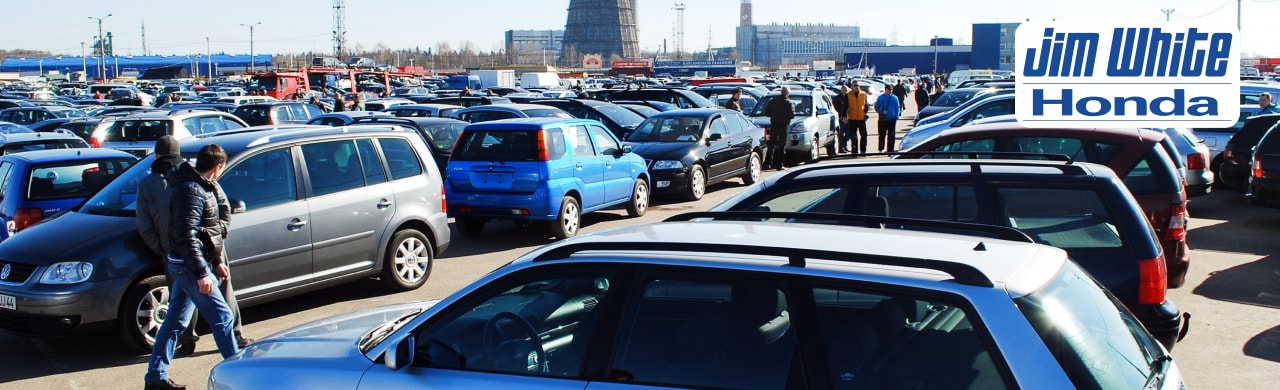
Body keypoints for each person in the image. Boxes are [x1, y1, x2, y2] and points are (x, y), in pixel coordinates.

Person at [144, 144, 238, 390]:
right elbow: (187, 235)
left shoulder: (198, 186)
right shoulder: (192, 190)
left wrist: (216, 261)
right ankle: (238, 374)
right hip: (188, 267)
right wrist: (201, 273)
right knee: (223, 317)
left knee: (175, 321)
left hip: (188, 264)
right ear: (217, 166)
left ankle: (155, 377)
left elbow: (207, 231)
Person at [763, 87, 796, 170]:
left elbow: (767, 112)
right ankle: (779, 164)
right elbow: (792, 115)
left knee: (771, 144)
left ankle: (767, 163)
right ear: (787, 93)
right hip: (783, 125)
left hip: (774, 124)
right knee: (781, 145)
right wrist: (784, 117)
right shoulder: (788, 103)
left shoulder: (773, 101)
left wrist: (775, 116)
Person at [874, 85, 901, 153]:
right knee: (882, 135)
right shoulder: (881, 98)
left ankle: (890, 149)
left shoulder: (895, 98)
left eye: (891, 90)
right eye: (889, 90)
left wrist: (897, 116)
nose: (890, 91)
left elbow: (897, 107)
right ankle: (881, 149)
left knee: (891, 135)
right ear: (885, 89)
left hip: (892, 119)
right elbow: (876, 107)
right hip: (882, 119)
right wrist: (881, 111)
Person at [845, 83, 869, 154]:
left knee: (864, 135)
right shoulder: (848, 95)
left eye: (858, 85)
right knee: (853, 136)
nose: (856, 87)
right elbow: (845, 106)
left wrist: (866, 113)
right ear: (852, 87)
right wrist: (844, 116)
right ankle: (854, 150)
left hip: (862, 118)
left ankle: (863, 150)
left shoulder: (863, 94)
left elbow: (866, 105)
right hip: (852, 118)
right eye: (855, 86)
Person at [832, 85, 849, 153]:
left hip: (848, 118)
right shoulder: (837, 98)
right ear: (841, 90)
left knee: (848, 133)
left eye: (846, 91)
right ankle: (841, 148)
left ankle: (845, 146)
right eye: (844, 90)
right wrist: (840, 116)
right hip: (840, 118)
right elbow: (834, 109)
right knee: (841, 134)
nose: (845, 92)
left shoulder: (848, 98)